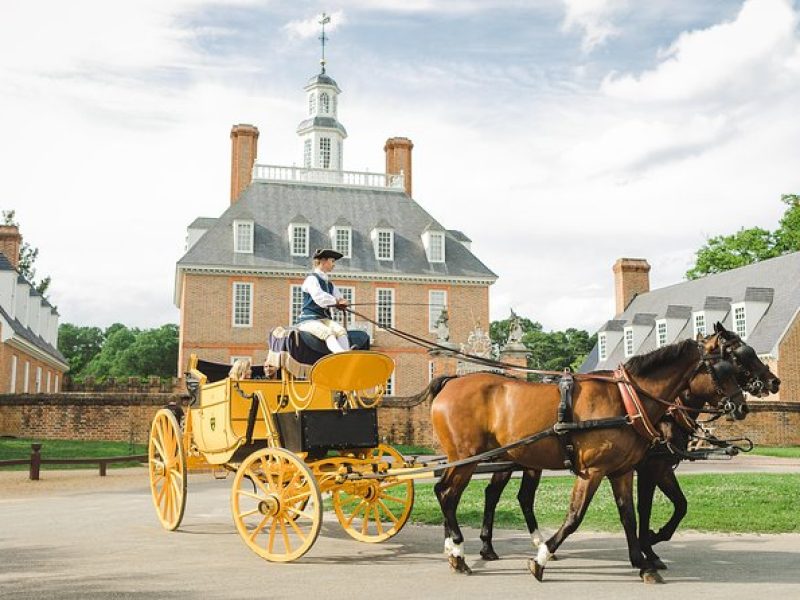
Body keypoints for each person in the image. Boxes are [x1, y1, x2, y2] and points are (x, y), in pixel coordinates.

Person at [296, 248, 351, 353]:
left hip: (325, 320)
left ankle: (347, 354)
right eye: (332, 261)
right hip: (309, 320)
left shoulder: (330, 284)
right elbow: (320, 297)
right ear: (323, 261)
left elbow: (338, 299)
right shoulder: (311, 279)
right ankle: (340, 355)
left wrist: (342, 303)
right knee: (328, 333)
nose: (334, 264)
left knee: (341, 331)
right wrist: (337, 301)